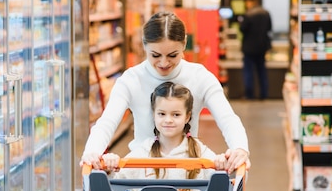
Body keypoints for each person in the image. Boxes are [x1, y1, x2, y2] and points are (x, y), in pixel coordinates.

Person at [81, 11, 249, 174]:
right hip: (141, 172)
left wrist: (240, 148)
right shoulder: (131, 80)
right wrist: (92, 151)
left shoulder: (200, 77)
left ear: (184, 43)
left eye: (172, 55)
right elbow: (107, 123)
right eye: (155, 55)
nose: (163, 62)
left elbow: (228, 119)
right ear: (144, 45)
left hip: (187, 174)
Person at [238, 0, 273, 100]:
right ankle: (264, 94)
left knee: (248, 71)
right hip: (262, 47)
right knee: (262, 70)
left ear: (251, 2)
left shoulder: (248, 14)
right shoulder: (266, 13)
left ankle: (249, 95)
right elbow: (269, 28)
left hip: (249, 47)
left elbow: (242, 29)